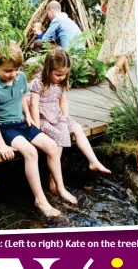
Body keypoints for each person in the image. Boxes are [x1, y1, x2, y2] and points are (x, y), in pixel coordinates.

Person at [0, 41, 77, 218]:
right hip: (4, 128)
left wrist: (29, 116)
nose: (13, 74)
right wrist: (2, 145)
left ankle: (60, 188)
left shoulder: (21, 77)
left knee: (51, 146)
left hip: (22, 122)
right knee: (31, 152)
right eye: (8, 71)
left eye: (16, 69)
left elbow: (22, 98)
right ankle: (40, 199)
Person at [29, 47, 112, 185]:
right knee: (59, 138)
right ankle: (53, 178)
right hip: (43, 117)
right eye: (58, 74)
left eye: (64, 74)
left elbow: (63, 101)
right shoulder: (39, 82)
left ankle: (93, 161)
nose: (61, 78)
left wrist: (66, 117)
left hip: (56, 115)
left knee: (77, 128)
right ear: (48, 69)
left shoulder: (61, 82)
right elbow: (33, 104)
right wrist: (36, 127)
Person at [98, 0, 136, 91]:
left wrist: (104, 0)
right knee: (130, 37)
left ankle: (126, 76)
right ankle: (114, 70)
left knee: (121, 37)